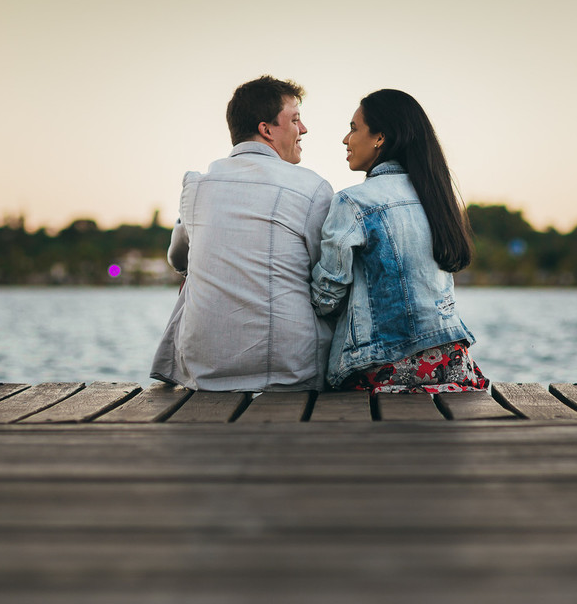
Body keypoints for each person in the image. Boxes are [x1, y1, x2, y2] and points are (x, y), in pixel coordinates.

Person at [151, 75, 334, 391]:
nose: (303, 130)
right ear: (267, 129)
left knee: (193, 274)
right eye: (295, 120)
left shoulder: (197, 185)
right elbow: (327, 272)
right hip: (291, 369)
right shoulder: (313, 188)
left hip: (204, 368)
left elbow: (178, 258)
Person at [310, 89, 488, 393]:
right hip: (452, 362)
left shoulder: (352, 202)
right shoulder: (436, 197)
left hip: (385, 366)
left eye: (354, 128)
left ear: (380, 137)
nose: (345, 139)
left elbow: (326, 298)